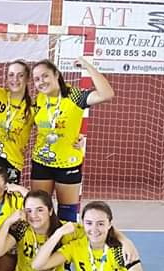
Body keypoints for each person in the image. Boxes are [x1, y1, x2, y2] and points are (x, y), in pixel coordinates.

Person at [30, 57, 114, 222]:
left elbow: (107, 94)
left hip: (68, 164)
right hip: (41, 163)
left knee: (67, 215)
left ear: (56, 74)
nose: (41, 82)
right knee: (39, 212)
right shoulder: (38, 100)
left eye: (45, 76)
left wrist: (88, 66)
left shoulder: (74, 95)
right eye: (37, 79)